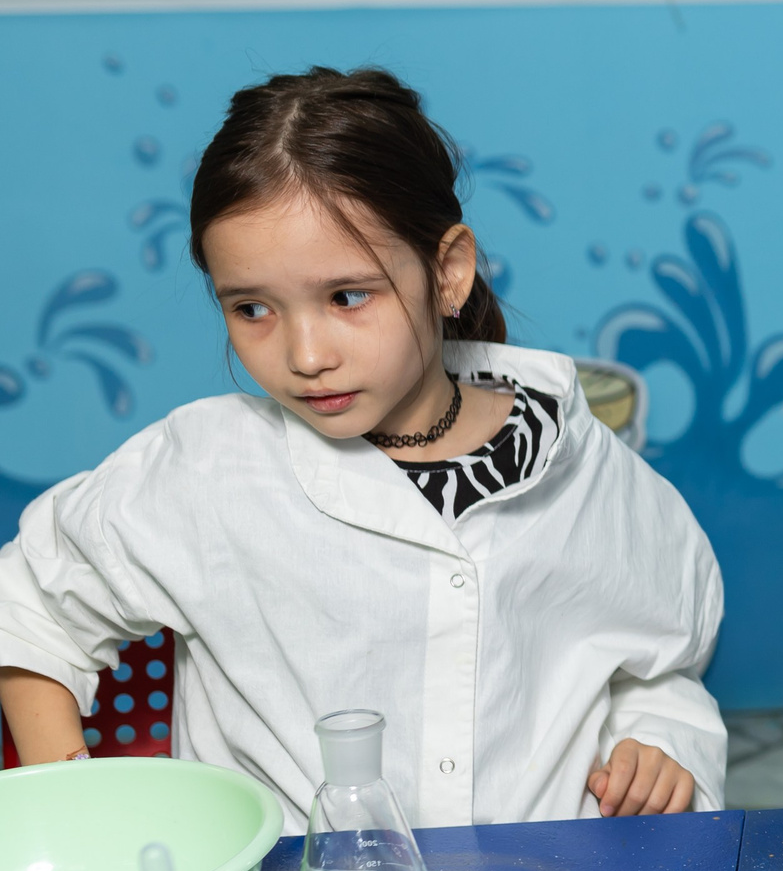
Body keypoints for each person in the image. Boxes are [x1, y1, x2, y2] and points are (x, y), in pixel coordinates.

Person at [0, 68, 726, 827]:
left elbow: (661, 658)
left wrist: (657, 736)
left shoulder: (584, 468)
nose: (305, 353)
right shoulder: (206, 467)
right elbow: (31, 607)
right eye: (252, 308)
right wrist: (72, 808)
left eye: (347, 296)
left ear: (447, 272)